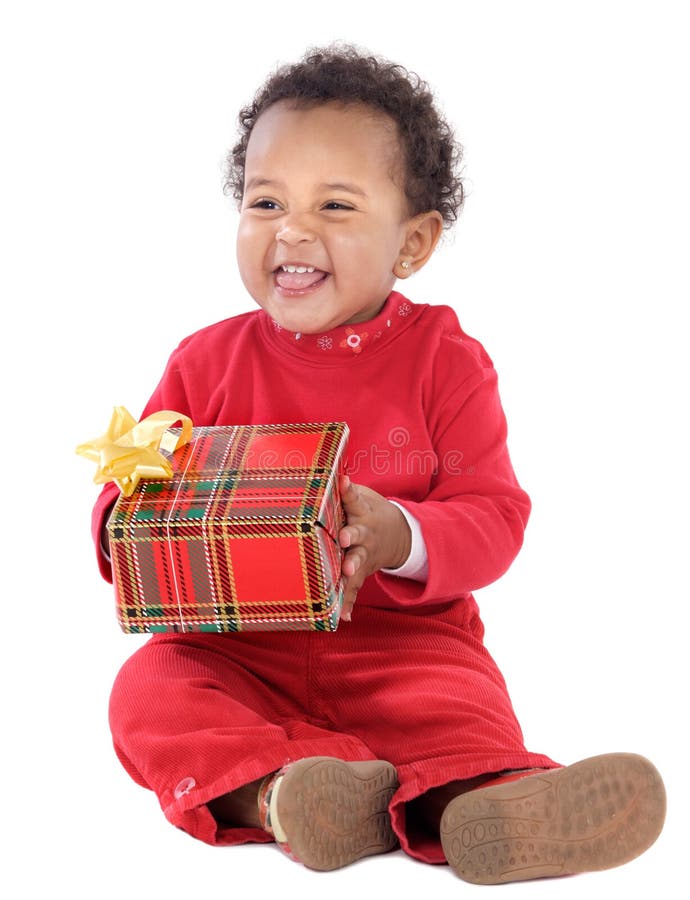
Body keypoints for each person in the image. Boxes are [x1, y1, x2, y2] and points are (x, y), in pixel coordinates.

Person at [91, 44, 665, 885]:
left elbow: (494, 514)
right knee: (149, 691)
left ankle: (477, 806)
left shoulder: (445, 359)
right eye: (265, 201)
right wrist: (121, 524)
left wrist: (401, 535)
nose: (292, 228)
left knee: (458, 711)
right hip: (241, 654)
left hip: (405, 647)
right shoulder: (203, 362)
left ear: (414, 243)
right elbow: (134, 482)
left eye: (335, 204)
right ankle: (293, 795)